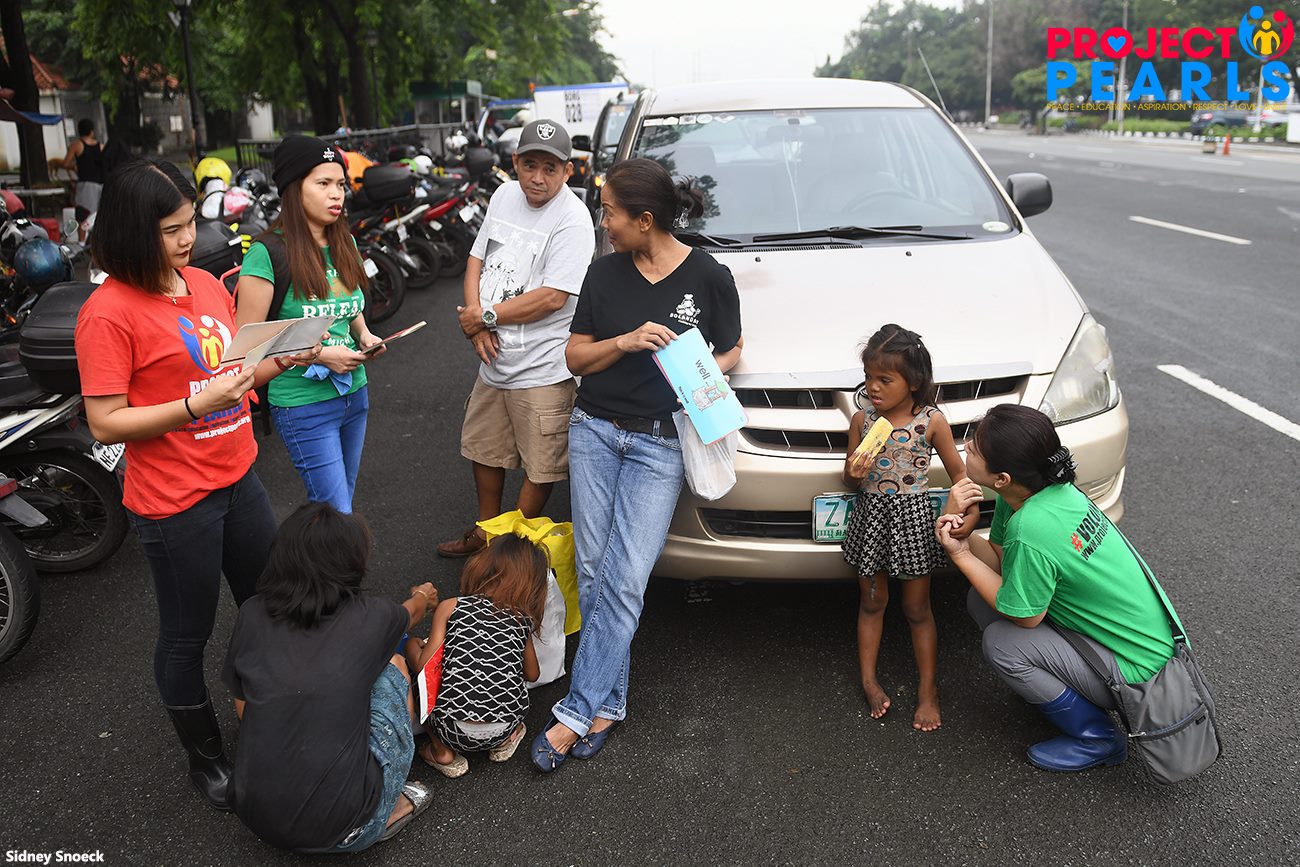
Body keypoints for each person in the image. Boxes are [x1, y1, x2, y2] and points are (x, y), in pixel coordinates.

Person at [76, 157, 317, 809]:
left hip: (238, 478)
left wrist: (286, 356)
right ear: (132, 231)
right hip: (173, 501)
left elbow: (235, 375)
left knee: (270, 604)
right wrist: (192, 406)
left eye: (189, 223)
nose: (189, 238)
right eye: (172, 230)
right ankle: (205, 756)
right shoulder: (108, 313)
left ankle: (272, 714)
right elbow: (104, 421)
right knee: (188, 633)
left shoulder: (205, 283)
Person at [531, 158, 742, 772]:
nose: (604, 223)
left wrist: (697, 373)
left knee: (624, 579)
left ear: (644, 220)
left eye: (610, 213)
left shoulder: (709, 276)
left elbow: (732, 347)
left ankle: (574, 712)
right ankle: (606, 705)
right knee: (594, 571)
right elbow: (574, 357)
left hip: (661, 443)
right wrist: (623, 342)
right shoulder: (604, 274)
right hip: (594, 431)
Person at [935, 404, 1180, 772]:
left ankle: (1098, 737)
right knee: (980, 600)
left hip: (1143, 679)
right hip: (1131, 646)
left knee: (1003, 644)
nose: (966, 446)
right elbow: (1002, 563)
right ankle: (1053, 691)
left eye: (975, 448)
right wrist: (962, 532)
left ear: (1001, 478)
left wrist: (959, 554)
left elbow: (1026, 617)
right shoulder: (1038, 495)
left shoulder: (1031, 527)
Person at [222, 504, 437, 852]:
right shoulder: (372, 617)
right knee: (393, 667)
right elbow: (411, 612)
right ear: (351, 565)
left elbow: (244, 707)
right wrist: (423, 596)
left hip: (256, 816)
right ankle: (388, 808)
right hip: (344, 830)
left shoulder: (252, 613)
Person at [437, 119, 595, 558]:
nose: (537, 178)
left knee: (541, 466)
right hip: (494, 360)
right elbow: (476, 259)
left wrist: (484, 316)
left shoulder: (573, 219)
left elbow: (553, 297)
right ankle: (486, 533)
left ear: (568, 171)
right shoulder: (504, 195)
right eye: (529, 165)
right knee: (484, 449)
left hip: (542, 366)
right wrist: (476, 321)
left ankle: (510, 551)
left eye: (550, 168)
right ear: (514, 162)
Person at [236, 135, 386, 514]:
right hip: (303, 403)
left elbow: (348, 307)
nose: (336, 194)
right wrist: (320, 355)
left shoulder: (345, 241)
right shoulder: (267, 253)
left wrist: (365, 335)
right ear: (293, 188)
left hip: (355, 393)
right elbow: (245, 347)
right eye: (323, 184)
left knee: (339, 508)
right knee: (336, 513)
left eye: (340, 184)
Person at [841, 325, 970, 732]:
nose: (872, 387)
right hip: (872, 520)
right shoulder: (862, 420)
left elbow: (960, 476)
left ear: (913, 382)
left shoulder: (931, 421)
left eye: (885, 379)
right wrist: (852, 473)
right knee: (872, 602)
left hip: (913, 522)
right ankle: (868, 680)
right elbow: (850, 479)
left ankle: (928, 690)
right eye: (868, 377)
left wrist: (963, 515)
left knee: (917, 608)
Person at [405, 533, 545, 777]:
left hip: (451, 731)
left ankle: (442, 751)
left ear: (482, 566)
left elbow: (423, 666)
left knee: (418, 681)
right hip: (504, 726)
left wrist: (410, 645)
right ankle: (504, 742)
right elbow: (532, 675)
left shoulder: (451, 606)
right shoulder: (522, 619)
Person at [61, 119, 104, 241]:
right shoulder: (101, 147)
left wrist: (74, 167)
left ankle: (81, 242)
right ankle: (97, 241)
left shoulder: (76, 145)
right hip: (100, 185)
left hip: (85, 185)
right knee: (97, 215)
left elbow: (65, 163)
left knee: (83, 215)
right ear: (92, 131)